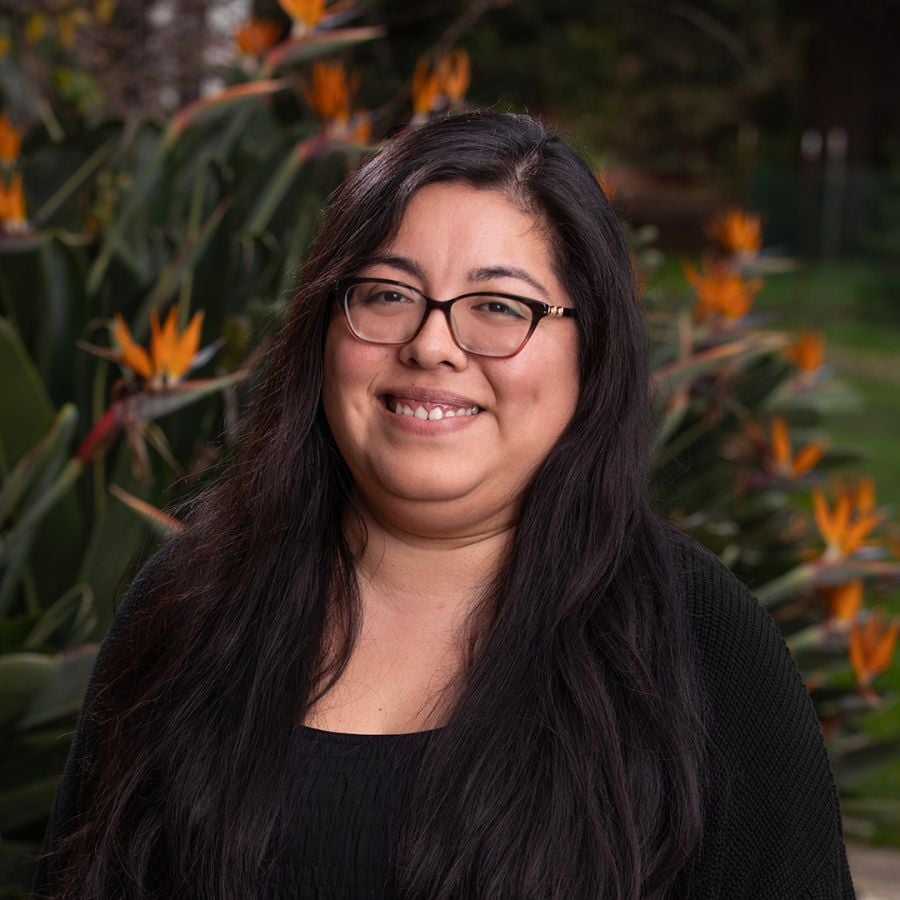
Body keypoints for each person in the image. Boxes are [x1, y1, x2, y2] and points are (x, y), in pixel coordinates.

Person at [32, 110, 855, 900]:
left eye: (499, 307)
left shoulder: (701, 641)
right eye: (388, 294)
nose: (431, 345)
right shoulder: (190, 604)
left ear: (591, 351)